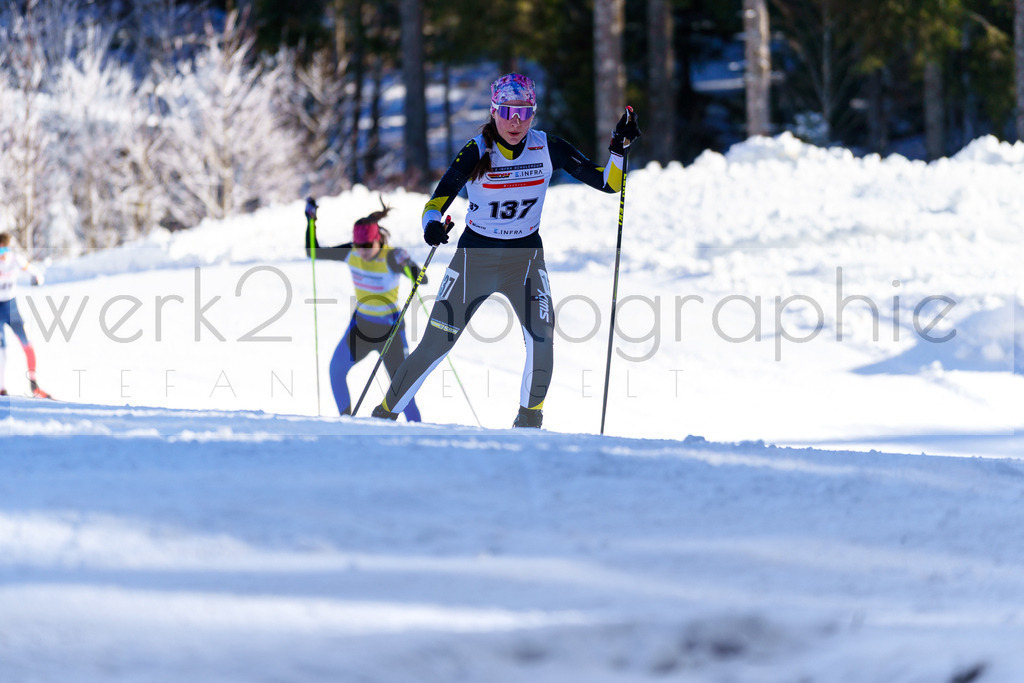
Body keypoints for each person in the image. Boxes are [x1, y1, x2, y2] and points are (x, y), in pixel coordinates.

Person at [371, 73, 640, 428]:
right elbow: (435, 203)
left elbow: (609, 183)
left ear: (534, 113)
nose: (516, 121)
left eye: (525, 112)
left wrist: (618, 148)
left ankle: (528, 424)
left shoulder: (547, 146)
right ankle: (381, 417)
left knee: (542, 341)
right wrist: (431, 227)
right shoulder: (476, 150)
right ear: (494, 110)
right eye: (508, 111)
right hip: (474, 259)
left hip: (525, 261)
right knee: (435, 345)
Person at [304, 199, 424, 421]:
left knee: (403, 391)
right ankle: (346, 421)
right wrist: (311, 222)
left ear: (377, 239)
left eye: (367, 246)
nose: (363, 251)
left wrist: (409, 265)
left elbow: (421, 279)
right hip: (361, 327)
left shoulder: (392, 256)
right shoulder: (352, 252)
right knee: (336, 371)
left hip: (391, 332)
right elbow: (313, 252)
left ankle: (419, 433)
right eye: (359, 246)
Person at [0, 232, 50, 398]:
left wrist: (37, 279)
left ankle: (34, 384)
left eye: (5, 250)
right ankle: (2, 388)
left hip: (12, 308)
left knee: (27, 343)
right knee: (2, 350)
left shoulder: (15, 259)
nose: (3, 254)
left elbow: (36, 273)